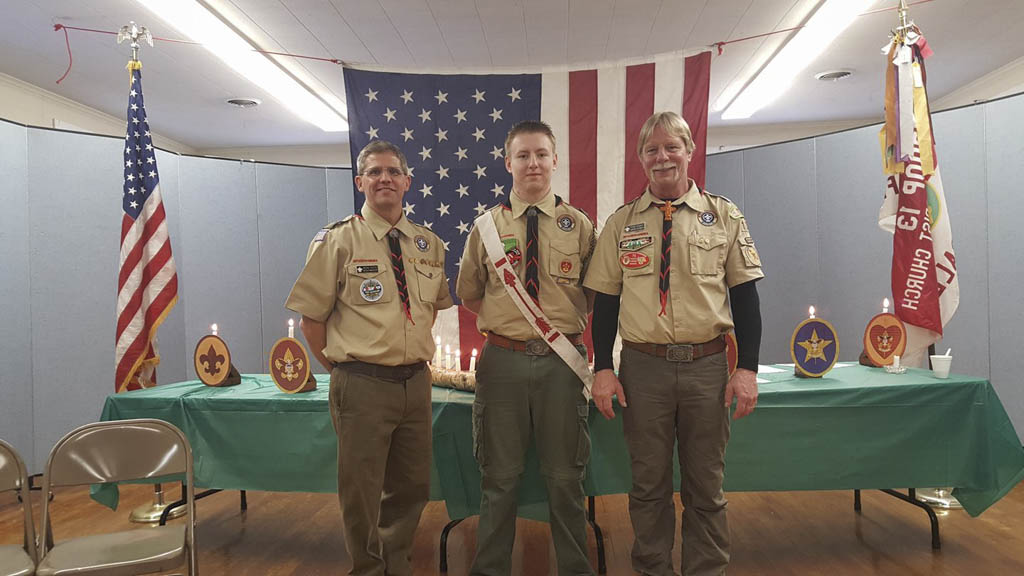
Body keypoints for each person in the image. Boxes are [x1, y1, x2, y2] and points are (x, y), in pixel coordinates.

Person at [583, 111, 764, 576]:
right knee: (648, 485)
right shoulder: (621, 223)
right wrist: (603, 367)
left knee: (706, 485)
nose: (662, 157)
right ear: (641, 158)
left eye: (671, 147)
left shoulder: (723, 215)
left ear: (690, 151)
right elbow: (604, 304)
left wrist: (748, 369)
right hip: (644, 369)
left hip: (707, 367)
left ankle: (707, 570)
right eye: (652, 149)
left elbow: (745, 298)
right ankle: (652, 569)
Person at [285, 140, 453, 576]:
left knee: (411, 488)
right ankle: (366, 569)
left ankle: (395, 565)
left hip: (416, 383)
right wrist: (344, 373)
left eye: (393, 172)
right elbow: (311, 321)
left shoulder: (428, 244)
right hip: (360, 383)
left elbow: (430, 309)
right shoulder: (336, 241)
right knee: (361, 491)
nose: (385, 179)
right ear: (360, 182)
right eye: (375, 172)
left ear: (407, 182)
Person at [457, 120, 597, 576]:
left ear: (555, 160)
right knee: (498, 481)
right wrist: (511, 327)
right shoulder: (486, 228)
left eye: (541, 154)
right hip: (503, 364)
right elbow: (471, 293)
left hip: (562, 366)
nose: (533, 163)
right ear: (508, 162)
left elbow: (594, 295)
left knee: (565, 480)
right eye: (523, 155)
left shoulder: (579, 226)